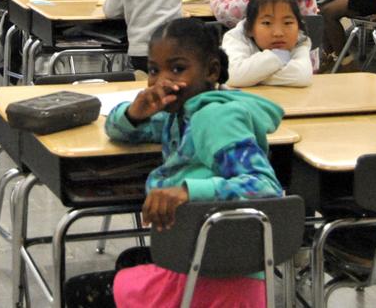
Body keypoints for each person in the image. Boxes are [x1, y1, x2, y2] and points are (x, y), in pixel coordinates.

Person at [64, 18, 284, 308]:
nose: (162, 81)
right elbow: (119, 130)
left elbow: (266, 188)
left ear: (211, 71)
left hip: (223, 278)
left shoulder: (215, 118)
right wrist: (134, 113)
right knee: (131, 260)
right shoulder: (180, 113)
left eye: (178, 69)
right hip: (203, 256)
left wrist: (188, 191)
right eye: (154, 70)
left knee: (77, 291)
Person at [222, 0, 313, 88]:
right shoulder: (236, 37)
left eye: (287, 23)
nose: (278, 33)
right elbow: (231, 75)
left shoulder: (299, 39)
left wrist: (250, 76)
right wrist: (279, 56)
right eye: (267, 23)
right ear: (250, 28)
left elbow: (302, 76)